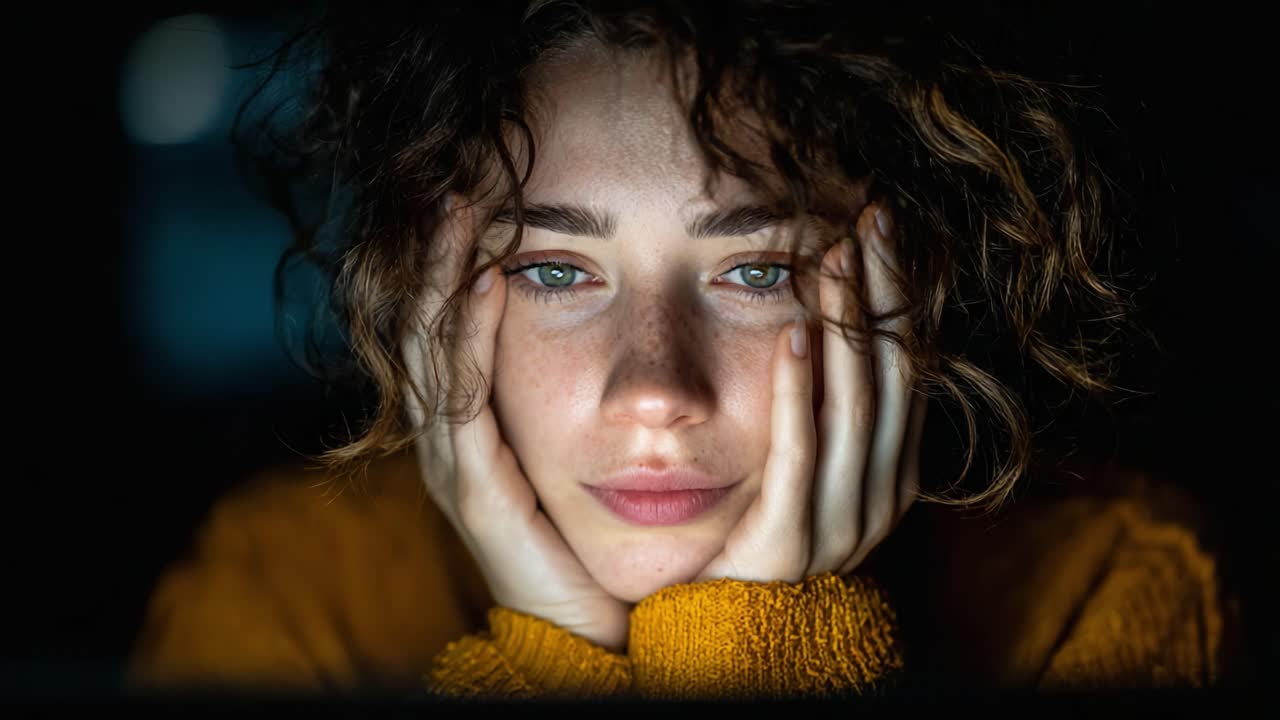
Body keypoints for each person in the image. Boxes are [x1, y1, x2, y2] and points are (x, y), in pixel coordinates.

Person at [126, 0, 1237, 700]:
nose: (654, 388)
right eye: (554, 271)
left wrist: (752, 655)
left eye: (756, 272)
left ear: (924, 283)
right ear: (428, 293)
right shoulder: (289, 595)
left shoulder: (1101, 585)